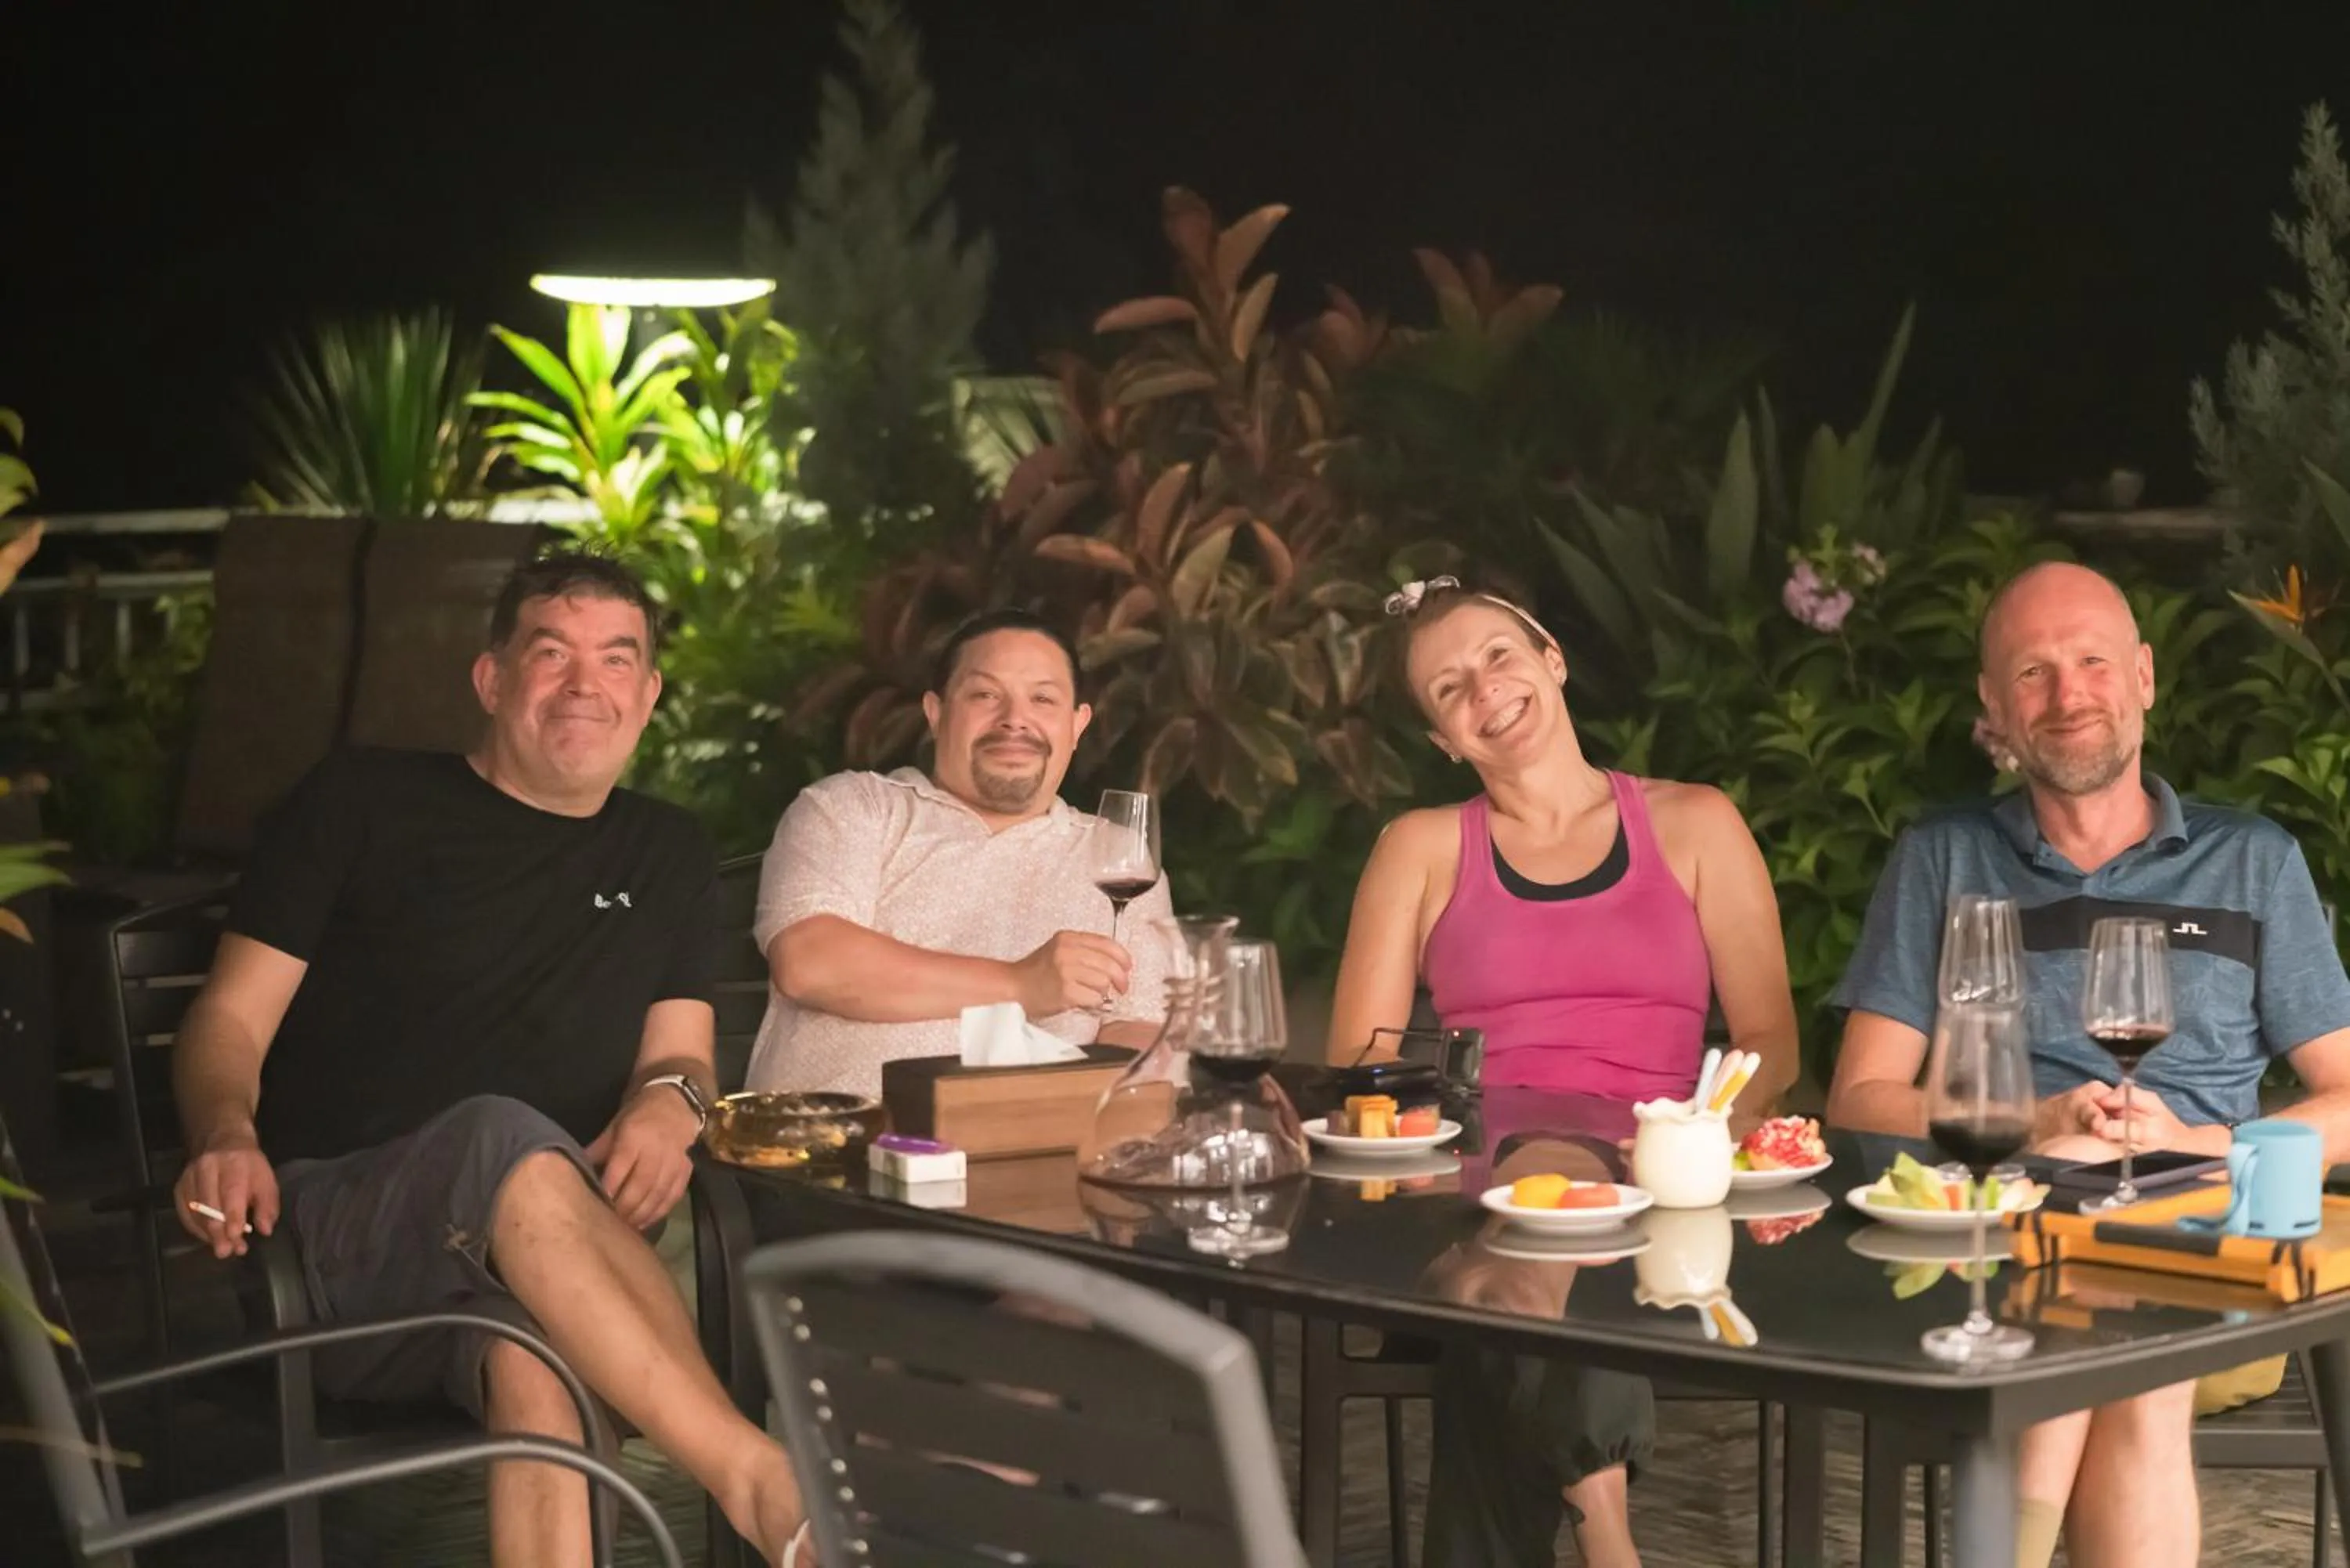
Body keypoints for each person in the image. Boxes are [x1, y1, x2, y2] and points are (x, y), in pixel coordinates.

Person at [171, 551, 817, 1568]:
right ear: (490, 677)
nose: (585, 683)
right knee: (501, 1132)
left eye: (616, 658)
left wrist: (670, 1105)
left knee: (540, 1376)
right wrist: (223, 1132)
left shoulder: (667, 852)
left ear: (648, 694)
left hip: (537, 1270)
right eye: (552, 653)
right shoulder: (360, 800)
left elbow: (682, 1060)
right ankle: (754, 1477)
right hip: (341, 1247)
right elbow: (229, 1020)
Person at [1826, 560, 2350, 1568]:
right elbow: (1861, 1097)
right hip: (2001, 1250)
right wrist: (2036, 1120)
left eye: (2093, 662)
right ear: (1993, 707)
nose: (2068, 695)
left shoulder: (2252, 861)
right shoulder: (1943, 857)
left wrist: (2200, 1142)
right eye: (2033, 672)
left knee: (2108, 1326)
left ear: (2144, 676)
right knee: (2119, 1342)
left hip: (2212, 1257)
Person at [1325, 577, 1802, 1568]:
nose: (1484, 689)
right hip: (1475, 1176)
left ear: (1552, 658)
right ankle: (1610, 1542)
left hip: (1659, 1186)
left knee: (1490, 1300)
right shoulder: (1420, 848)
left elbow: (1769, 1044)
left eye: (1499, 655)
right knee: (1528, 1203)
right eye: (1449, 688)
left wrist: (1694, 1139)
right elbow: (1359, 1061)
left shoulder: (1695, 823)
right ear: (1444, 739)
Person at [747, 609, 1172, 1097]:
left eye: (1042, 699)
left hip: (1036, 1138)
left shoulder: (1119, 856)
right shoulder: (855, 807)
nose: (1015, 719)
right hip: (838, 1136)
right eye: (985, 695)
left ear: (1077, 725)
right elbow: (809, 962)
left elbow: (1138, 1028)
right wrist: (1020, 985)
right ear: (936, 712)